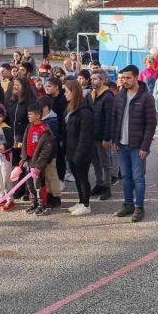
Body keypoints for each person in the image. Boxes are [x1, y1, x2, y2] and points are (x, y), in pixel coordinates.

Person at [111, 65, 157, 222]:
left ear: (136, 77)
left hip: (137, 146)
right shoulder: (120, 95)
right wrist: (115, 140)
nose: (124, 81)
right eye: (123, 78)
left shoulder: (146, 97)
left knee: (138, 178)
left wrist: (145, 146)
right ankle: (128, 204)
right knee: (125, 177)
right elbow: (115, 119)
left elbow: (151, 124)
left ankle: (139, 207)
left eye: (128, 78)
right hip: (122, 145)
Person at [62, 80, 94, 215]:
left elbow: (85, 136)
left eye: (67, 91)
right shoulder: (70, 107)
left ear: (74, 92)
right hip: (71, 149)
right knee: (77, 178)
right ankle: (81, 201)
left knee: (83, 178)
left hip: (81, 152)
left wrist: (78, 155)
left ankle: (86, 204)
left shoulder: (85, 111)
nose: (65, 94)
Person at [21, 102, 56, 216]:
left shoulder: (44, 130)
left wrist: (38, 166)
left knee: (39, 184)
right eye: (28, 114)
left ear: (38, 115)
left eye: (30, 114)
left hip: (38, 163)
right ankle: (34, 202)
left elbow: (45, 151)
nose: (28, 116)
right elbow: (25, 142)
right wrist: (24, 158)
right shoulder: (29, 126)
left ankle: (42, 204)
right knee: (29, 183)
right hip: (29, 160)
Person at [89, 69, 115, 201]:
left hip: (102, 136)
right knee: (95, 162)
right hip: (92, 135)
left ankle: (107, 187)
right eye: (91, 79)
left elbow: (110, 119)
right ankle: (99, 183)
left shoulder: (108, 96)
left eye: (95, 79)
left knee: (105, 162)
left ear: (103, 80)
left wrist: (106, 138)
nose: (92, 81)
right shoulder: (92, 94)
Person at [38, 96, 63, 207]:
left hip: (50, 154)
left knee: (52, 175)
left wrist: (48, 154)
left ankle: (56, 196)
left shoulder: (51, 122)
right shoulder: (43, 120)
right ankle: (49, 195)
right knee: (46, 176)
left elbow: (53, 141)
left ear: (46, 108)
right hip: (44, 154)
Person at [46, 76, 68, 186]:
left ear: (57, 87)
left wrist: (62, 135)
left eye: (49, 86)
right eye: (46, 86)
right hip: (49, 132)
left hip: (61, 131)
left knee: (60, 157)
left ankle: (61, 179)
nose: (47, 88)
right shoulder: (47, 98)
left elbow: (64, 119)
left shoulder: (63, 99)